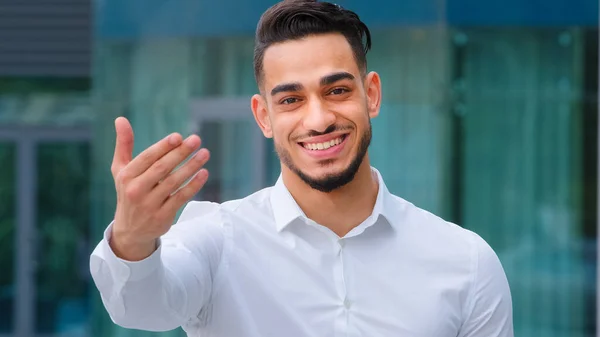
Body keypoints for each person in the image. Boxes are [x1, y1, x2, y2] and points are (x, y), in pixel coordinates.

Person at [89, 1, 514, 336]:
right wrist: (132, 239)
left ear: (372, 94)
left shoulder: (467, 263)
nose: (319, 119)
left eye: (337, 90)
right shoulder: (216, 241)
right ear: (264, 116)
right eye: (291, 99)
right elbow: (142, 308)